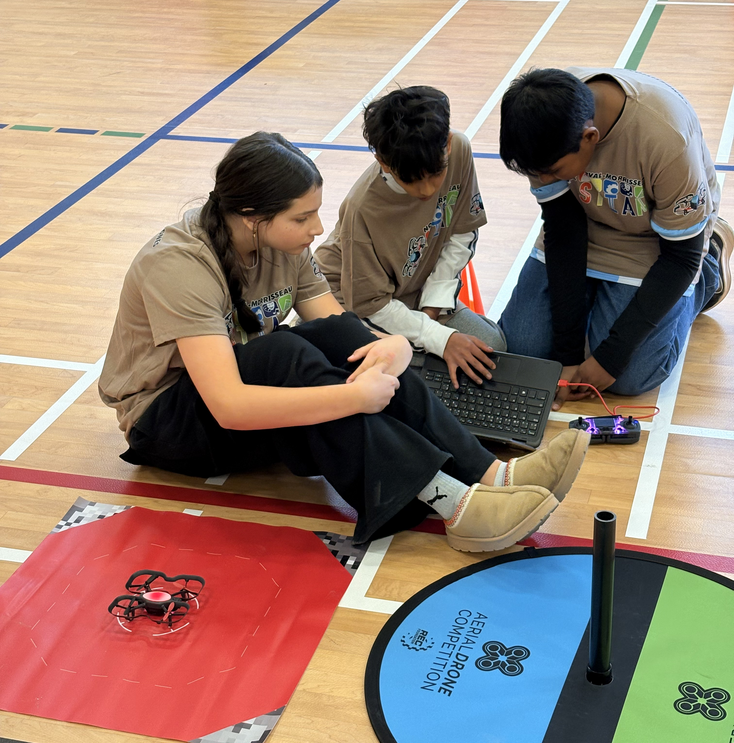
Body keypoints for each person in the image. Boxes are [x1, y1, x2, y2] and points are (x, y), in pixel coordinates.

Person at [99, 131, 589, 553]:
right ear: (251, 216)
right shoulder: (179, 266)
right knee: (282, 352)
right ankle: (453, 506)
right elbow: (228, 405)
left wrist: (393, 348)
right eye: (302, 218)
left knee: (335, 342)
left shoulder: (281, 244)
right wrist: (353, 396)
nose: (316, 229)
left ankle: (491, 475)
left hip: (233, 402)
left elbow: (338, 328)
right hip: (166, 422)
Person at [497, 67, 733, 409]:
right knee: (525, 352)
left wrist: (612, 356)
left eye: (553, 172)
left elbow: (679, 259)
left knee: (630, 377)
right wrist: (567, 353)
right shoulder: (541, 127)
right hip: (584, 228)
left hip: (657, 243)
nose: (544, 179)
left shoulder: (666, 138)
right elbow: (564, 234)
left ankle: (708, 269)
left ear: (590, 138)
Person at [314, 86, 506, 390]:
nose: (428, 190)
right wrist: (437, 337)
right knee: (390, 379)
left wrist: (432, 309)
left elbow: (461, 232)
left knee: (491, 346)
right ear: (384, 162)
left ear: (448, 145)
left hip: (416, 294)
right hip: (351, 303)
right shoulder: (361, 208)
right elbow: (369, 306)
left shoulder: (461, 151)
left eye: (436, 173)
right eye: (413, 181)